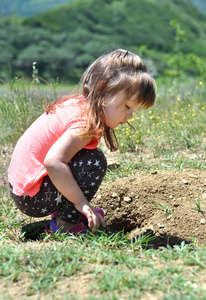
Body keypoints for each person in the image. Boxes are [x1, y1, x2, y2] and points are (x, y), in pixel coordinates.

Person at [8, 49, 156, 236]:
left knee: (82, 156)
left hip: (23, 188)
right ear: (102, 90)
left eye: (135, 109)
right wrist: (80, 202)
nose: (130, 115)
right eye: (127, 106)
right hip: (32, 197)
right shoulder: (86, 123)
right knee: (94, 161)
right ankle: (65, 224)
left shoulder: (79, 105)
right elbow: (53, 162)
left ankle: (64, 212)